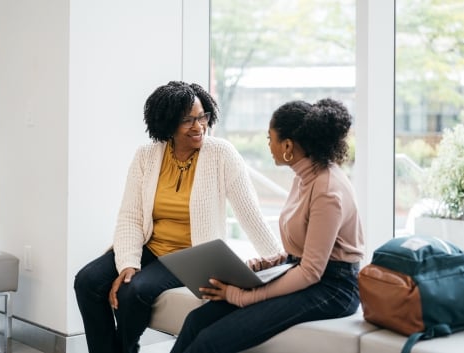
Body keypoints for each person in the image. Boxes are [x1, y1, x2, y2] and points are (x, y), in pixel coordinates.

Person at [73, 81, 282, 353]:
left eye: (202, 117)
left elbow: (249, 212)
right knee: (87, 281)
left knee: (132, 292)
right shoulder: (146, 156)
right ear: (167, 123)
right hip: (151, 245)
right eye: (188, 120)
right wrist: (128, 263)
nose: (199, 127)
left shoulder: (221, 154)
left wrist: (280, 260)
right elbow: (131, 216)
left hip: (190, 254)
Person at [171, 98, 365, 353]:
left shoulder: (328, 190)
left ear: (287, 145)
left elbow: (311, 272)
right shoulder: (304, 176)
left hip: (335, 287)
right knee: (197, 321)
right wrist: (260, 267)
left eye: (269, 138)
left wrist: (243, 296)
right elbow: (303, 250)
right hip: (305, 269)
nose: (268, 145)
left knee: (212, 342)